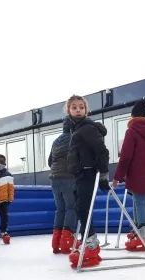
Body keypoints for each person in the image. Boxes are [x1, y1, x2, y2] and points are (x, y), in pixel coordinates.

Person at [112, 99, 145, 250]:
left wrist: (117, 177)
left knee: (140, 203)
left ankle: (143, 236)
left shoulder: (132, 131)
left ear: (133, 117)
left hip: (137, 173)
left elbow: (126, 157)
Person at [64, 95, 110, 268]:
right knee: (79, 208)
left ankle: (91, 243)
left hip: (89, 174)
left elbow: (102, 151)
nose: (78, 110)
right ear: (68, 110)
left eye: (81, 107)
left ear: (86, 110)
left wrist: (104, 174)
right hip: (80, 175)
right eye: (74, 107)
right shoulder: (75, 129)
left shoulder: (86, 128)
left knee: (84, 209)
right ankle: (86, 239)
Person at [48, 100, 77, 254]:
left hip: (54, 178)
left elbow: (49, 161)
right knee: (71, 207)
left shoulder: (56, 140)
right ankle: (67, 241)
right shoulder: (74, 138)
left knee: (60, 208)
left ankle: (56, 242)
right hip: (68, 177)